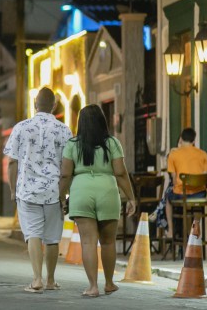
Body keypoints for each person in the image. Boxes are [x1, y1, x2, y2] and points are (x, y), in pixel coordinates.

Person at [59, 104, 136, 298]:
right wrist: (131, 197)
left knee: (88, 242)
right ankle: (109, 283)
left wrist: (61, 197)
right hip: (107, 192)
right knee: (109, 242)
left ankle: (92, 286)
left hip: (81, 192)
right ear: (102, 121)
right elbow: (120, 172)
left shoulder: (72, 144)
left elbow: (66, 175)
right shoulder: (112, 143)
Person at [4, 88, 73, 294]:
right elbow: (69, 166)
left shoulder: (21, 127)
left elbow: (12, 163)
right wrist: (65, 193)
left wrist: (12, 190)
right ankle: (51, 280)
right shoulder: (64, 130)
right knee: (52, 238)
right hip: (54, 191)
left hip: (27, 190)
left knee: (33, 234)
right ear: (54, 105)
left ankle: (37, 279)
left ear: (35, 103)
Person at [151, 128, 207, 238]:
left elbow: (173, 178)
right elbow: (205, 175)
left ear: (181, 139)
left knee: (168, 198)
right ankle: (196, 225)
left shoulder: (174, 154)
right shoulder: (203, 154)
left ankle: (171, 231)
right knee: (197, 202)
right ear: (193, 141)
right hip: (199, 194)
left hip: (181, 194)